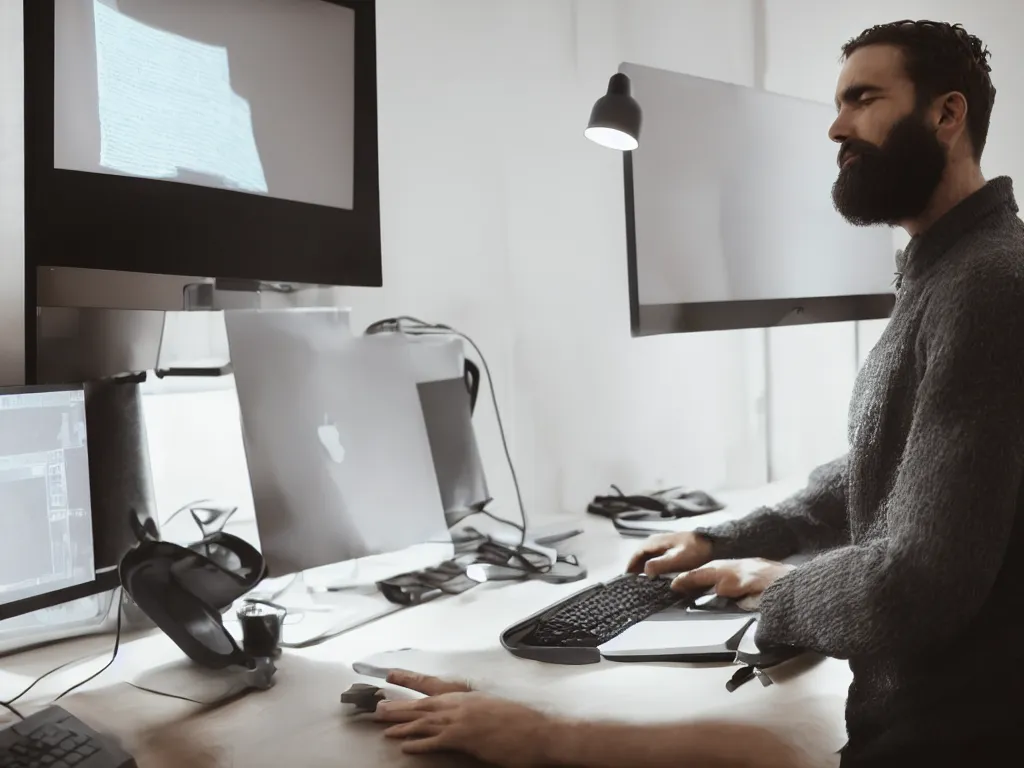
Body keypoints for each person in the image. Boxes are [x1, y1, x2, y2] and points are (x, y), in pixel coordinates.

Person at [375, 19, 1024, 768]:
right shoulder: (951, 270)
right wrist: (730, 538)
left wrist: (780, 591)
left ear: (947, 114)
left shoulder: (986, 286)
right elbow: (893, 459)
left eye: (863, 98)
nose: (836, 126)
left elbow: (916, 586)